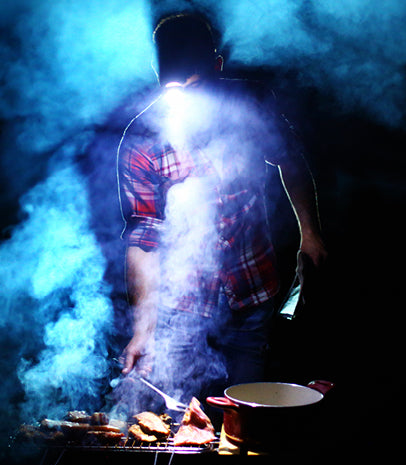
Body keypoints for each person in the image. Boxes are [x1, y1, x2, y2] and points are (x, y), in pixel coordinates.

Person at [115, 12, 326, 408]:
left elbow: (291, 162)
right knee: (176, 417)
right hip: (182, 306)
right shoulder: (141, 140)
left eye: (195, 85)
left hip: (252, 293)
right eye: (174, 85)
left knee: (247, 414)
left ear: (217, 66)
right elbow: (144, 236)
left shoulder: (252, 104)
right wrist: (143, 328)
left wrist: (309, 233)